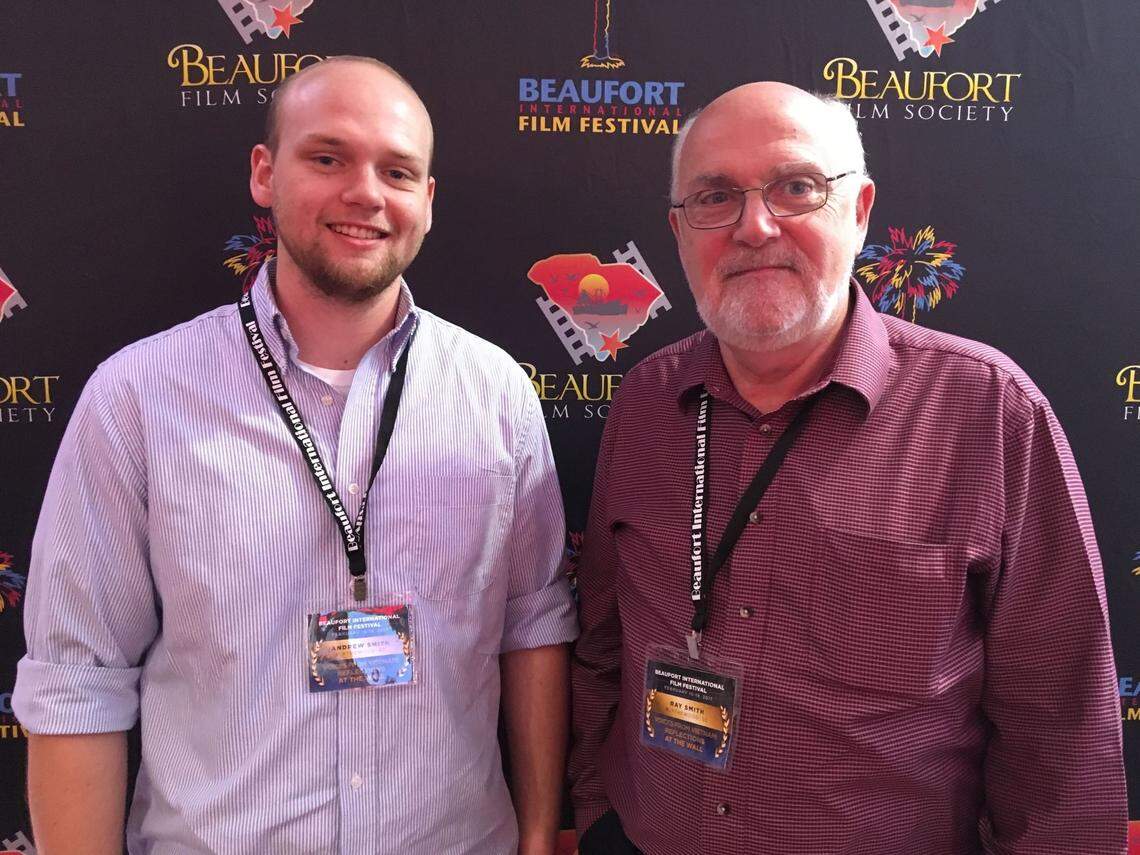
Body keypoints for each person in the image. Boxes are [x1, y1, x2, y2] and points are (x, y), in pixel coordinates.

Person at [15, 56, 577, 855]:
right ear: (263, 173)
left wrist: (534, 836)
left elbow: (533, 627)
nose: (365, 193)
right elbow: (77, 678)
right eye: (327, 158)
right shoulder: (139, 396)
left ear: (426, 201)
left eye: (397, 170)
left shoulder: (495, 395)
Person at [569, 81, 1126, 854]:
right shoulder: (646, 402)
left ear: (859, 209)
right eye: (714, 196)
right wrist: (599, 812)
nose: (754, 225)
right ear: (678, 229)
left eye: (796, 187)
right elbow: (599, 640)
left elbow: (1061, 730)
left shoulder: (989, 413)